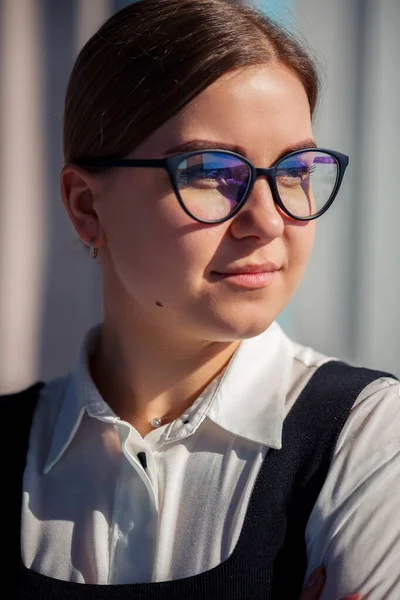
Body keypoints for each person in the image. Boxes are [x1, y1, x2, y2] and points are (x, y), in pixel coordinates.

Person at [3, 0, 399, 598]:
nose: (267, 220)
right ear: (87, 206)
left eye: (294, 170)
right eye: (212, 171)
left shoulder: (369, 438)